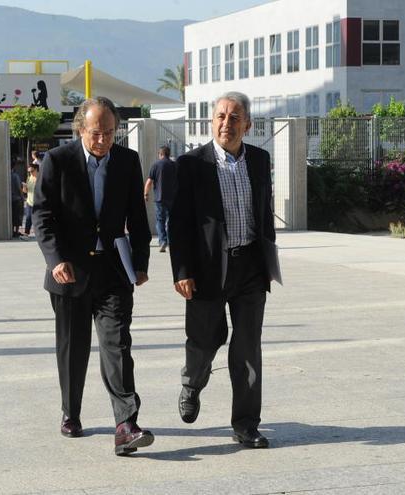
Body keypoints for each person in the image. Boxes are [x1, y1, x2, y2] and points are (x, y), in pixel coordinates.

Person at [32, 96, 154, 456]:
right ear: (80, 129)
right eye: (96, 133)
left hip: (113, 269)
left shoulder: (128, 161)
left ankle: (126, 424)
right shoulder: (58, 161)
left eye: (110, 133)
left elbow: (137, 215)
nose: (103, 140)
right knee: (73, 348)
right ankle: (71, 413)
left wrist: (142, 262)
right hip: (70, 270)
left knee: (117, 344)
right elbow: (42, 215)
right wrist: (55, 259)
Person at [168, 91, 279, 449]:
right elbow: (179, 222)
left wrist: (268, 261)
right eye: (220, 116)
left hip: (249, 266)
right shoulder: (191, 164)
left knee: (247, 347)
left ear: (247, 124)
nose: (225, 124)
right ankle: (192, 384)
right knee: (204, 341)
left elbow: (264, 214)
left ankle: (246, 424)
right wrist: (182, 270)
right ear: (211, 121)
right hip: (206, 268)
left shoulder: (260, 160)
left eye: (234, 118)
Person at [143, 146, 177, 252]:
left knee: (160, 221)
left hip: (159, 198)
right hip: (173, 198)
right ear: (168, 154)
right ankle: (171, 242)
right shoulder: (174, 165)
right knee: (171, 221)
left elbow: (149, 182)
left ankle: (162, 241)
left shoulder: (156, 165)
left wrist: (146, 194)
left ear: (160, 154)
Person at [22, 162, 38, 236]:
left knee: (37, 219)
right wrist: (24, 187)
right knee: (28, 218)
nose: (30, 173)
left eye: (32, 171)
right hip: (29, 202)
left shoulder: (40, 178)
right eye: (29, 172)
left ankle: (38, 233)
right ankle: (26, 233)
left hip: (37, 202)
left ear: (36, 170)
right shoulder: (29, 177)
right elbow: (26, 191)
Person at [10, 161, 23, 238]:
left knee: (11, 216)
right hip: (16, 199)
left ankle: (11, 231)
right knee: (18, 215)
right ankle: (16, 231)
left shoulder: (5, 175)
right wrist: (22, 197)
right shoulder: (15, 176)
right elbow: (19, 188)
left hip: (9, 199)